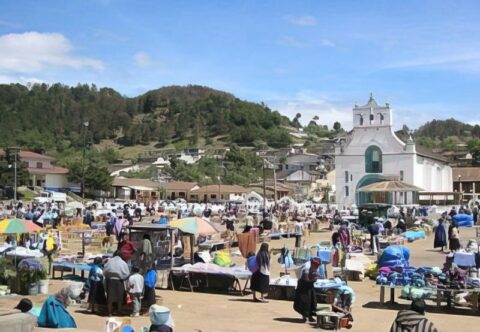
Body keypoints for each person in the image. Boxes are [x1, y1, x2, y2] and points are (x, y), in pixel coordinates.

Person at [293, 258, 321, 322]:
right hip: (303, 284)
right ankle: (304, 316)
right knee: (304, 301)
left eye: (317, 266)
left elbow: (315, 278)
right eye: (315, 266)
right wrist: (314, 278)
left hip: (310, 284)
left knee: (312, 300)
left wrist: (315, 277)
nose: (316, 267)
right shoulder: (306, 267)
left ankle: (310, 315)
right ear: (312, 264)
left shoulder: (317, 267)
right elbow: (305, 279)